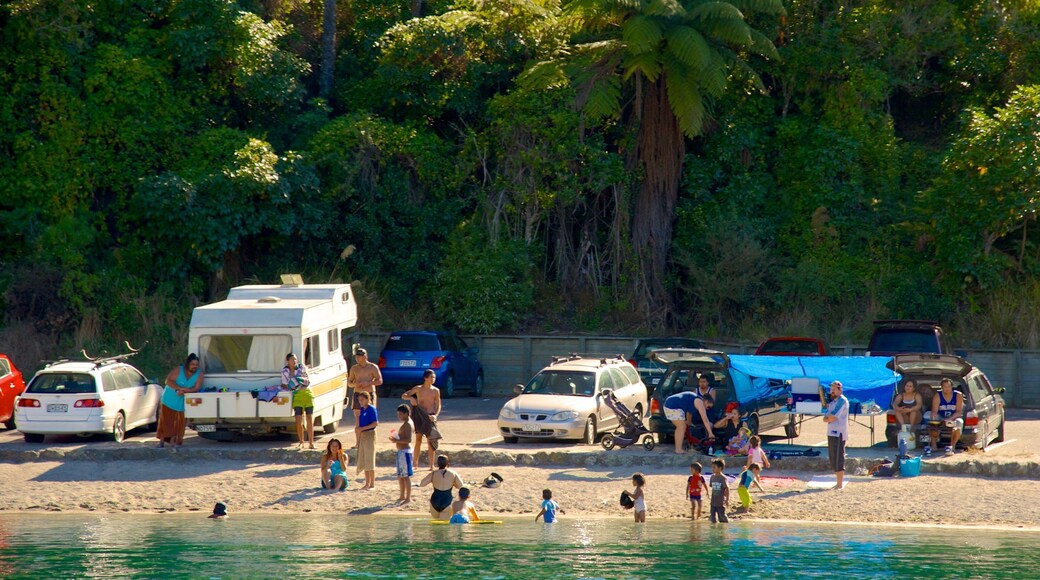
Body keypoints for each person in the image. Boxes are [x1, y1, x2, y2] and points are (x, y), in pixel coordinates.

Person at [157, 353, 204, 449]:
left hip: (182, 401)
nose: (194, 366)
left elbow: (196, 388)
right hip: (169, 399)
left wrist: (185, 390)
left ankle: (174, 442)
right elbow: (168, 381)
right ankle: (161, 442)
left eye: (196, 365)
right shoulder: (179, 370)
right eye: (192, 364)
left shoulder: (199, 374)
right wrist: (178, 389)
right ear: (188, 364)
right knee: (166, 421)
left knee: (179, 422)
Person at [402, 369, 442, 470]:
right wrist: (411, 398)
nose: (433, 379)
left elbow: (438, 404)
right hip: (419, 415)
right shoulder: (418, 389)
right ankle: (415, 464)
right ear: (425, 378)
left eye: (434, 377)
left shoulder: (435, 390)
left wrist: (435, 415)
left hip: (430, 416)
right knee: (418, 439)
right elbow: (404, 395)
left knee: (431, 440)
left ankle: (431, 465)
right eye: (431, 377)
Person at [282, 353, 314, 450]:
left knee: (309, 418)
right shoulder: (285, 371)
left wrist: (296, 382)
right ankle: (301, 442)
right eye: (292, 359)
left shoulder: (301, 367)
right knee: (298, 418)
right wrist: (292, 385)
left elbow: (306, 380)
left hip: (307, 393)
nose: (294, 361)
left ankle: (311, 443)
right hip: (297, 395)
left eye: (295, 359)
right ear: (288, 361)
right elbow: (284, 384)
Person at [822, 380, 849, 489]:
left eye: (834, 389)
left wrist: (827, 418)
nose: (832, 391)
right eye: (831, 389)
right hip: (831, 431)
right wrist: (827, 418)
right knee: (833, 457)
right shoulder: (833, 402)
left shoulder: (842, 401)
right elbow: (826, 417)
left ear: (840, 390)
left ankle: (840, 483)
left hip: (839, 432)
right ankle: (837, 482)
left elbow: (832, 417)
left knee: (839, 457)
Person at [420, 454, 463, 520]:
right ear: (447, 463)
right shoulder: (453, 473)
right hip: (447, 500)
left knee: (436, 525)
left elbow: (422, 484)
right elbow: (461, 486)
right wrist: (453, 484)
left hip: (435, 501)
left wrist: (433, 480)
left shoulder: (433, 473)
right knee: (444, 526)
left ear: (438, 464)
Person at [929, 377, 964, 456]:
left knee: (959, 423)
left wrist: (950, 419)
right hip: (941, 416)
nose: (947, 389)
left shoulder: (958, 395)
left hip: (954, 416)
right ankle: (934, 445)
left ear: (952, 387)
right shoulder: (938, 395)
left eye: (949, 387)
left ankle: (952, 446)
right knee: (933, 421)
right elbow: (934, 410)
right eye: (945, 387)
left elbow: (959, 411)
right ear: (942, 388)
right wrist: (934, 415)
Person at [348, 347, 383, 423]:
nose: (357, 358)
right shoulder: (354, 368)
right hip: (358, 393)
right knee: (358, 417)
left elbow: (380, 381)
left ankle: (370, 432)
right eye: (356, 356)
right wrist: (355, 384)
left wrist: (368, 383)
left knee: (370, 415)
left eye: (359, 356)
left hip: (369, 393)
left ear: (365, 357)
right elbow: (349, 383)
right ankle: (359, 432)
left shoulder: (373, 367)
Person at [390, 404, 415, 503]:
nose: (399, 416)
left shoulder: (408, 424)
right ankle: (402, 495)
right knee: (400, 475)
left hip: (405, 452)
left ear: (406, 413)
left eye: (400, 414)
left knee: (405, 476)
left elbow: (408, 439)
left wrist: (396, 441)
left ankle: (408, 497)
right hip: (402, 452)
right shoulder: (407, 423)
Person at [355, 391, 378, 490]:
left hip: (370, 435)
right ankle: (367, 482)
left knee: (370, 459)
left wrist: (362, 429)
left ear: (368, 399)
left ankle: (372, 483)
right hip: (363, 435)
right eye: (359, 400)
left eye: (362, 399)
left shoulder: (371, 409)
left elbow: (375, 423)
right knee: (364, 459)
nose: (360, 402)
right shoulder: (362, 409)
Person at [691, 376, 718, 440]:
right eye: (700, 382)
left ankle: (708, 438)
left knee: (710, 424)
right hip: (697, 411)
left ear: (708, 383)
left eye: (704, 382)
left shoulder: (712, 391)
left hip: (708, 410)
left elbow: (711, 404)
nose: (702, 384)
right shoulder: (695, 391)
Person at [709, 458, 729, 523]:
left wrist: (727, 499)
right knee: (712, 517)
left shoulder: (723, 478)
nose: (712, 469)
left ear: (720, 468)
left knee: (722, 516)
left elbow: (727, 488)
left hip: (720, 502)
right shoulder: (712, 477)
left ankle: (726, 525)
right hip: (713, 501)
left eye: (714, 467)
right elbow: (711, 486)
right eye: (712, 467)